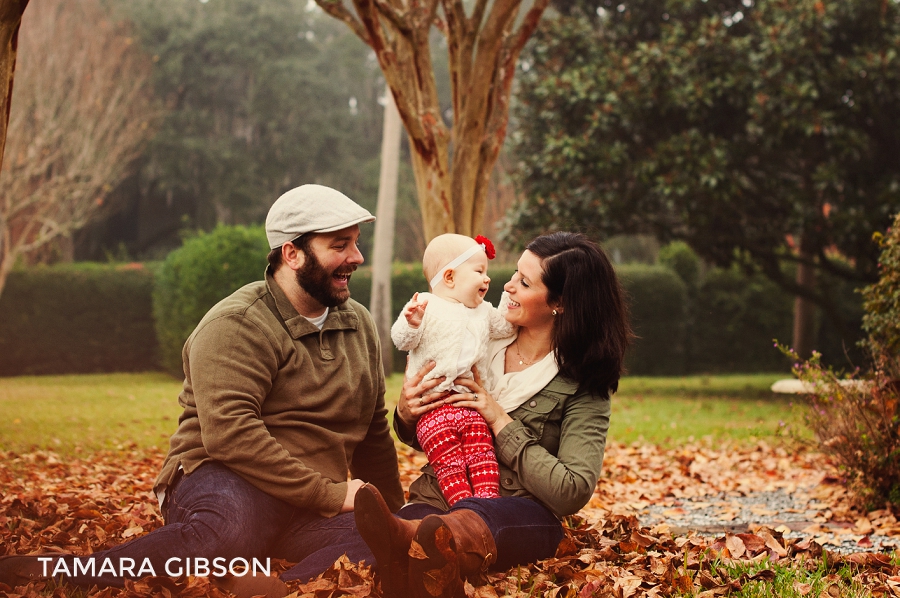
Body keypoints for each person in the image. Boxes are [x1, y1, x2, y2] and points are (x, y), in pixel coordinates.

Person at [0, 184, 404, 597]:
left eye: (356, 243)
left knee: (388, 539)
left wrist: (391, 512)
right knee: (226, 532)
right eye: (341, 245)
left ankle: (273, 584)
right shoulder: (237, 325)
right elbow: (231, 435)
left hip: (309, 500)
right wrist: (332, 494)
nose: (356, 257)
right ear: (292, 253)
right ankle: (60, 572)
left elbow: (372, 431)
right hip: (224, 476)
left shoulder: (359, 324)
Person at [354, 231, 632, 598]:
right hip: (437, 494)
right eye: (515, 274)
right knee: (378, 553)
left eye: (524, 282)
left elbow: (571, 490)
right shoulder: (475, 333)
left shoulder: (582, 384)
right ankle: (417, 555)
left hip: (519, 513)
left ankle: (422, 544)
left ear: (560, 303)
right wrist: (407, 412)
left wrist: (500, 421)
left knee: (432, 536)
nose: (508, 286)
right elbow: (428, 430)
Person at [391, 233, 515, 506]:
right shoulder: (425, 305)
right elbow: (401, 342)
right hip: (433, 410)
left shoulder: (484, 311)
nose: (487, 279)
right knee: (450, 466)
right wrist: (411, 323)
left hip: (471, 408)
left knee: (483, 458)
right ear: (449, 278)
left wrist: (507, 298)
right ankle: (464, 509)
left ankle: (487, 506)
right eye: (479, 271)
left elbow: (506, 327)